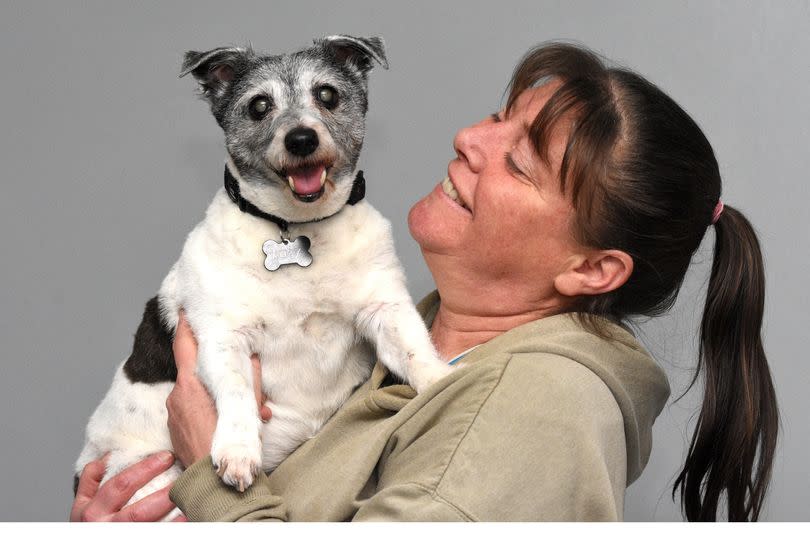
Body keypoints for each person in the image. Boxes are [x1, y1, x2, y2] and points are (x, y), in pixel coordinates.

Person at [70, 42, 778, 522]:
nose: (470, 139)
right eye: (501, 118)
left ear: (591, 269)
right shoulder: (403, 345)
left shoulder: (535, 413)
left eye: (520, 161)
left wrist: (204, 476)